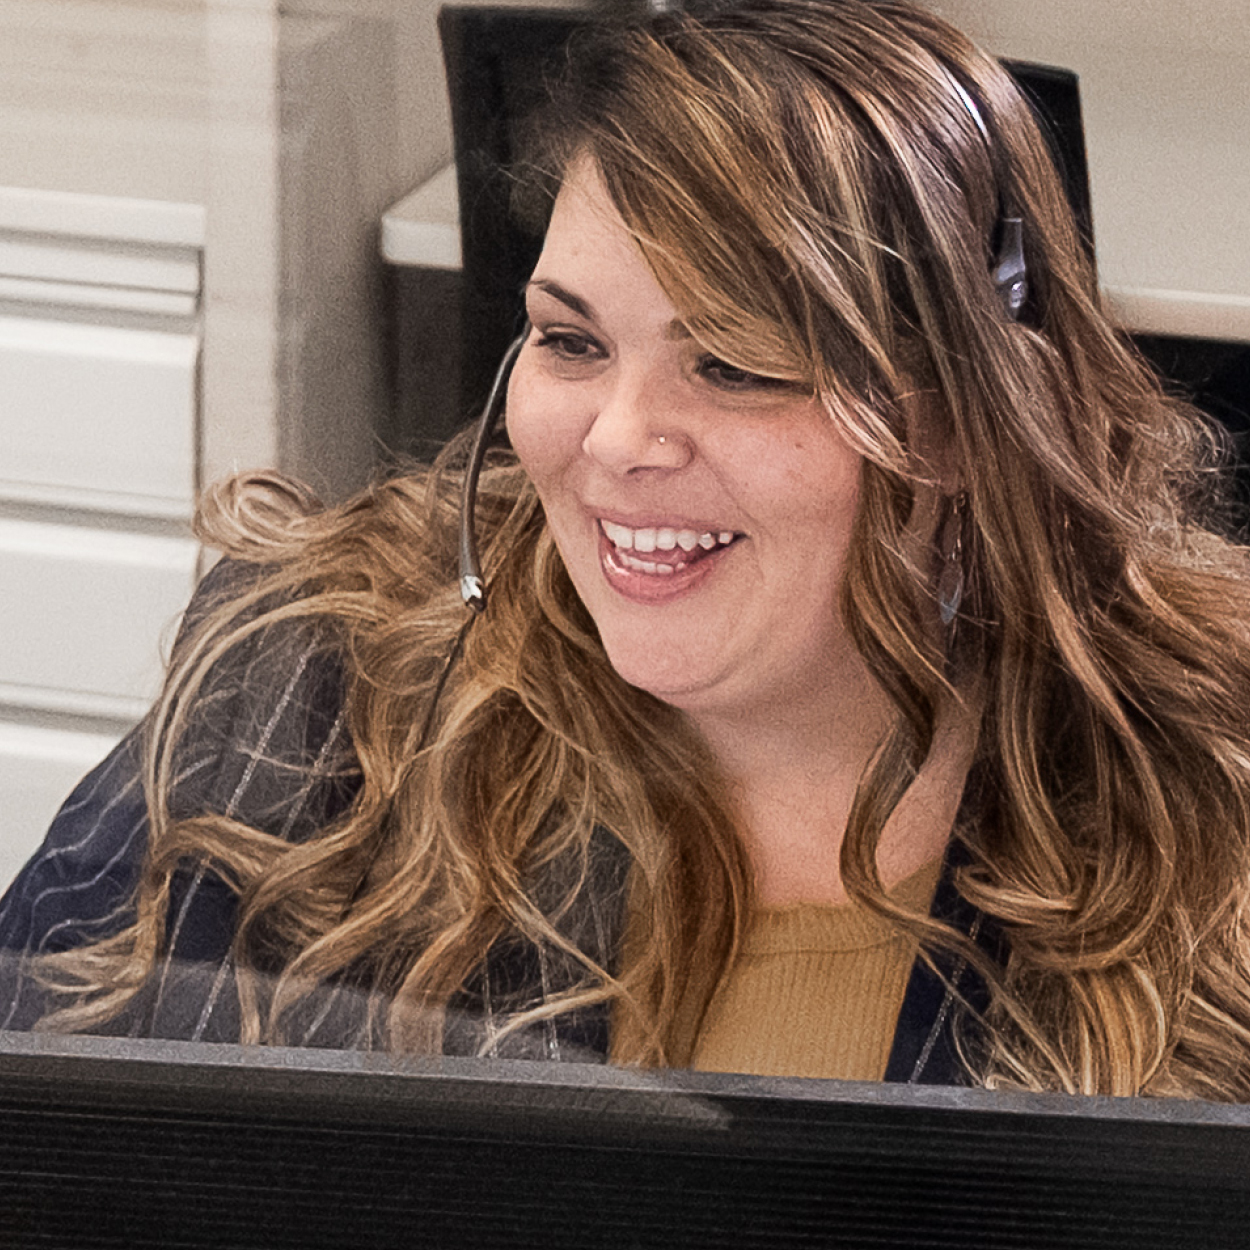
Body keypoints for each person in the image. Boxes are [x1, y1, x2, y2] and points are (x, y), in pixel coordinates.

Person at [3, 0, 1250, 1100]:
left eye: (734, 364)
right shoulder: (314, 681)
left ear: (968, 421)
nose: (614, 441)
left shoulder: (1206, 804)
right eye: (569, 341)